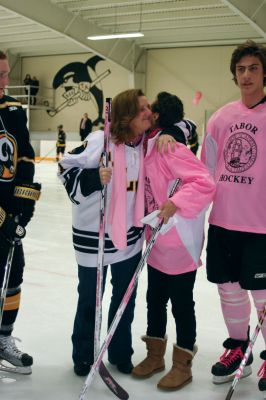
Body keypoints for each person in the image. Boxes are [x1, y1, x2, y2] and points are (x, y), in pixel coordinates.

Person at [58, 89, 152, 377]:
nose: (150, 112)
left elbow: (183, 123)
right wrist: (93, 177)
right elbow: (64, 168)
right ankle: (84, 353)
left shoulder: (145, 144)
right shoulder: (100, 141)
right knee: (90, 299)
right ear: (127, 116)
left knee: (125, 298)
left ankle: (120, 352)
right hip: (93, 239)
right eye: (143, 109)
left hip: (129, 237)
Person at [132, 91, 215, 390]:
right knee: (154, 299)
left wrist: (176, 201)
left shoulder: (171, 147)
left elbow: (205, 182)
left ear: (157, 115)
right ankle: (155, 356)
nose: (147, 113)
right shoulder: (151, 143)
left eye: (150, 109)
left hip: (179, 241)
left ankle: (183, 364)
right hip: (156, 241)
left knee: (181, 304)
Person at [201, 40, 266, 395]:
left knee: (262, 294)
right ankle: (238, 346)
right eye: (240, 69)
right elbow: (205, 170)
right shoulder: (221, 117)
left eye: (253, 68)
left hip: (260, 226)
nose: (246, 75)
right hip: (223, 222)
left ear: (264, 72)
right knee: (228, 290)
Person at [0, 50, 41, 374]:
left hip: (8, 210)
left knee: (13, 274)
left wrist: (23, 204)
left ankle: (3, 339)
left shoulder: (13, 110)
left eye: (5, 74)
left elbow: (25, 156)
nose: (4, 81)